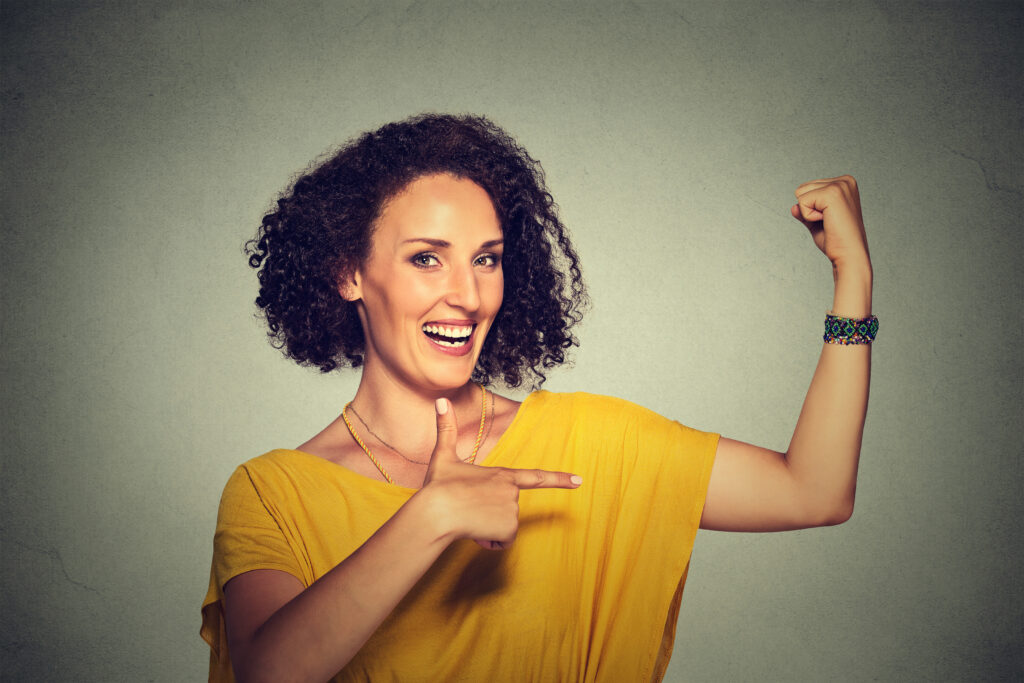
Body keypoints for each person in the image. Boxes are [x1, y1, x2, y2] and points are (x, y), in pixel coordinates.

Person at [200, 113, 875, 683]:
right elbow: (270, 671)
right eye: (426, 258)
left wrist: (854, 278)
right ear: (349, 271)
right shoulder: (270, 492)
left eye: (486, 258)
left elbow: (813, 489)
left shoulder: (588, 445)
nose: (466, 294)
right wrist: (430, 515)